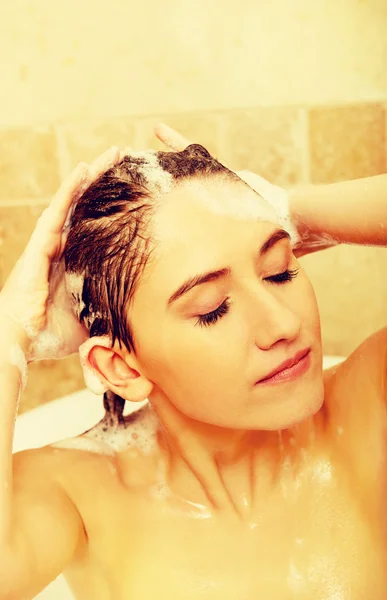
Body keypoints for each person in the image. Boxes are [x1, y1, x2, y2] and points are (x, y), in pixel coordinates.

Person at [0, 123, 386, 599]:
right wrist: (9, 331)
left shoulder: (370, 408)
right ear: (122, 368)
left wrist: (290, 212)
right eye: (212, 309)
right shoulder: (77, 491)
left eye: (280, 270)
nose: (283, 324)